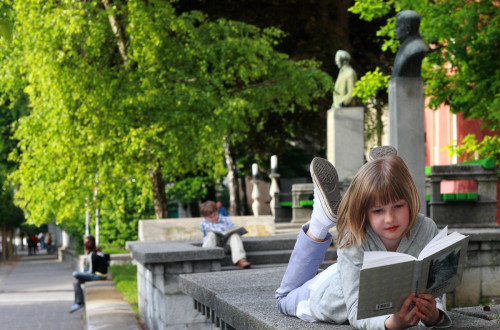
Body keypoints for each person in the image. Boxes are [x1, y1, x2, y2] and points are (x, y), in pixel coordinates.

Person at [275, 146, 451, 329]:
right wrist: (390, 324)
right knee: (283, 298)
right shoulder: (353, 236)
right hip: (329, 294)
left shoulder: (426, 227)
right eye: (378, 210)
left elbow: (432, 291)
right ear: (365, 213)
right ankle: (320, 221)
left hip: (352, 267)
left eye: (398, 206)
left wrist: (435, 315)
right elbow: (354, 310)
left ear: (410, 200)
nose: (390, 218)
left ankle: (382, 168)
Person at [200, 201, 251, 268]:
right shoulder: (203, 223)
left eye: (215, 215)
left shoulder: (225, 219)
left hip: (227, 245)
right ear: (205, 217)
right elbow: (205, 239)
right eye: (210, 217)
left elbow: (233, 228)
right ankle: (205, 258)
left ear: (217, 212)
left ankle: (240, 259)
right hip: (215, 246)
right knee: (211, 234)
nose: (213, 218)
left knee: (234, 235)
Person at [69, 235, 109, 313]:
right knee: (76, 282)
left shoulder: (92, 255)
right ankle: (78, 303)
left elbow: (91, 271)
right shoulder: (97, 252)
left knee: (75, 274)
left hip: (98, 276)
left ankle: (79, 303)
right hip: (101, 275)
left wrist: (81, 275)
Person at [392, 10, 429, 78]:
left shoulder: (416, 48)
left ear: (407, 28)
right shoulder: (405, 47)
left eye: (397, 26)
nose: (395, 30)